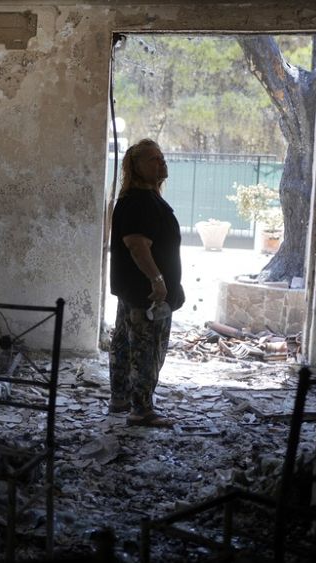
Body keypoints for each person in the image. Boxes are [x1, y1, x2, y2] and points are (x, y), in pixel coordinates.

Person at [108, 139, 185, 427]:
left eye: (161, 157)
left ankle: (120, 399)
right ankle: (141, 410)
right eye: (153, 159)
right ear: (137, 167)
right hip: (148, 294)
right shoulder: (140, 202)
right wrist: (158, 280)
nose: (161, 162)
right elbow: (137, 246)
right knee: (146, 350)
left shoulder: (140, 199)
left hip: (136, 292)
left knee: (125, 345)